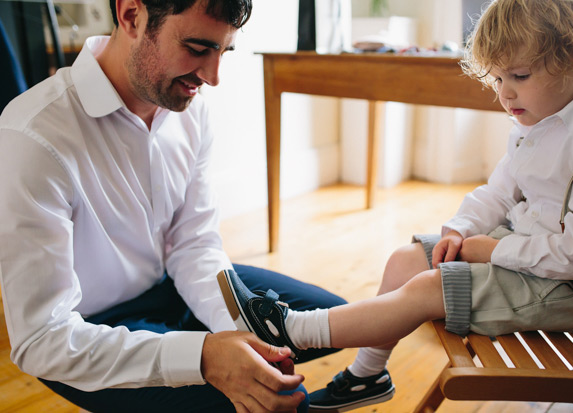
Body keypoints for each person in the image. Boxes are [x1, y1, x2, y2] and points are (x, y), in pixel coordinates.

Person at [216, 0, 573, 411]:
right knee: (404, 262)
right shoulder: (541, 118)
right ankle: (366, 376)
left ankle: (293, 329)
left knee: (428, 287)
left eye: (519, 75)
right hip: (525, 251)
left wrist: (493, 250)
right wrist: (462, 226)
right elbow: (498, 192)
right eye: (498, 78)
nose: (504, 93)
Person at [0, 0, 347, 412]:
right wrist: (203, 357)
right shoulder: (33, 134)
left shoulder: (189, 110)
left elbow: (194, 244)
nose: (213, 77)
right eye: (198, 49)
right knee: (281, 400)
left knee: (334, 322)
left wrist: (238, 336)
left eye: (223, 51)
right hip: (91, 329)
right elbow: (42, 340)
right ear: (132, 16)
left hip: (173, 288)